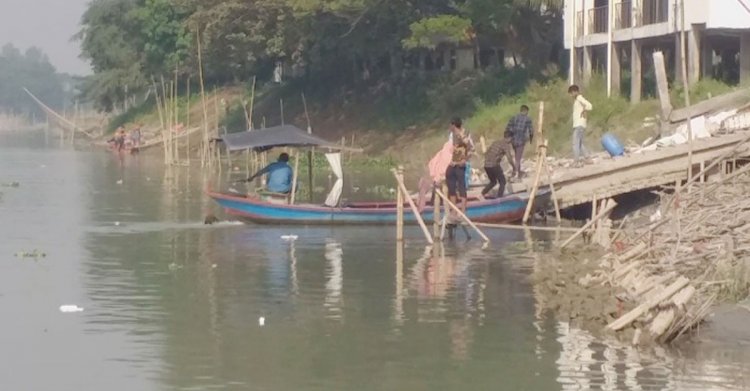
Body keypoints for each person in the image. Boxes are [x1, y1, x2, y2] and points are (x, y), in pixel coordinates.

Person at [445, 117, 474, 218]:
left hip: (460, 163)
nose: (449, 127)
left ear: (454, 125)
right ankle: (453, 210)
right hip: (453, 162)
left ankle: (462, 211)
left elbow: (470, 148)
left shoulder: (463, 134)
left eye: (450, 125)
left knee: (462, 186)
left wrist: (464, 160)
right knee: (451, 185)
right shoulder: (452, 135)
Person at [482, 131, 516, 199]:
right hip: (494, 165)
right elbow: (509, 158)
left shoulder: (496, 142)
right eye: (512, 139)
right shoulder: (506, 145)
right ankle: (499, 198)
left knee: (493, 182)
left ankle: (482, 193)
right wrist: (514, 167)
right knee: (502, 181)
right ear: (510, 138)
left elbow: (487, 152)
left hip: (486, 165)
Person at [505, 105, 533, 179]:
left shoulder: (514, 117)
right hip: (521, 140)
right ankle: (516, 173)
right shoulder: (528, 119)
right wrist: (531, 139)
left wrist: (508, 137)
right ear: (526, 111)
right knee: (518, 158)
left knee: (517, 156)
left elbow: (508, 127)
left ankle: (518, 172)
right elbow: (531, 131)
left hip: (513, 140)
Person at [569, 85, 593, 167]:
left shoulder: (579, 98)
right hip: (579, 124)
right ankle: (588, 158)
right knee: (580, 143)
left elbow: (589, 106)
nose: (571, 95)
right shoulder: (577, 100)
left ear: (575, 92)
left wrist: (584, 110)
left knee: (575, 143)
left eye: (571, 93)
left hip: (579, 124)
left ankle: (576, 161)